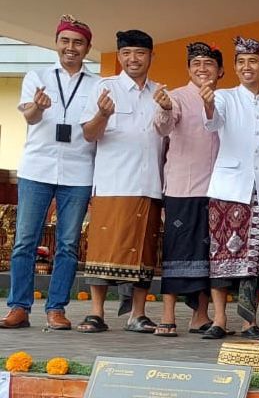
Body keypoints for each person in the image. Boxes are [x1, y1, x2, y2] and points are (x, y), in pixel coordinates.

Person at [0, 15, 99, 330]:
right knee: (25, 241)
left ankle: (57, 308)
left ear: (87, 48)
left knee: (68, 243)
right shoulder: (37, 75)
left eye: (78, 43)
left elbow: (96, 129)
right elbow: (29, 117)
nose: (71, 48)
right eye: (65, 41)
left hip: (79, 171)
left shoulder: (98, 84)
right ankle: (18, 307)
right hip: (37, 168)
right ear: (57, 43)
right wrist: (39, 107)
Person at [77, 29, 164, 334]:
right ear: (119, 56)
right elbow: (88, 133)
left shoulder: (161, 93)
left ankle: (137, 315)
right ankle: (96, 313)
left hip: (149, 183)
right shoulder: (106, 88)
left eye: (139, 53)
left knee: (143, 252)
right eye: (126, 53)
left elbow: (167, 135)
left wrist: (166, 110)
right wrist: (102, 114)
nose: (133, 59)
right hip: (113, 182)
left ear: (151, 56)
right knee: (103, 247)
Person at [199, 36, 259, 340]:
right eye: (241, 62)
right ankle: (220, 320)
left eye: (253, 62)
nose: (247, 67)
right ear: (234, 67)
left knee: (256, 258)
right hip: (229, 188)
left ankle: (249, 322)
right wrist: (208, 105)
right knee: (222, 255)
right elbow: (212, 122)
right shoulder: (223, 98)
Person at [151, 42, 224, 337]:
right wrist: (165, 109)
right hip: (183, 185)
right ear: (188, 69)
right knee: (176, 250)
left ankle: (201, 316)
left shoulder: (227, 100)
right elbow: (163, 127)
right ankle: (167, 315)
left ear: (220, 71)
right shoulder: (176, 97)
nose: (202, 68)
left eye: (208, 63)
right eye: (196, 63)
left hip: (218, 188)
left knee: (208, 255)